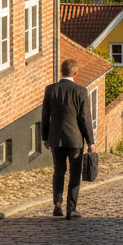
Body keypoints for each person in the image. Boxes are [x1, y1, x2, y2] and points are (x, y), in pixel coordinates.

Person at [41, 58, 94, 219]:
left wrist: (45, 137)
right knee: (74, 173)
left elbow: (45, 116)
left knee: (59, 171)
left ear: (61, 71)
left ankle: (57, 204)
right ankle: (71, 208)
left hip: (56, 139)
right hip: (75, 140)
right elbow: (84, 118)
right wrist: (90, 141)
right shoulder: (81, 91)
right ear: (75, 73)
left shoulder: (50, 90)